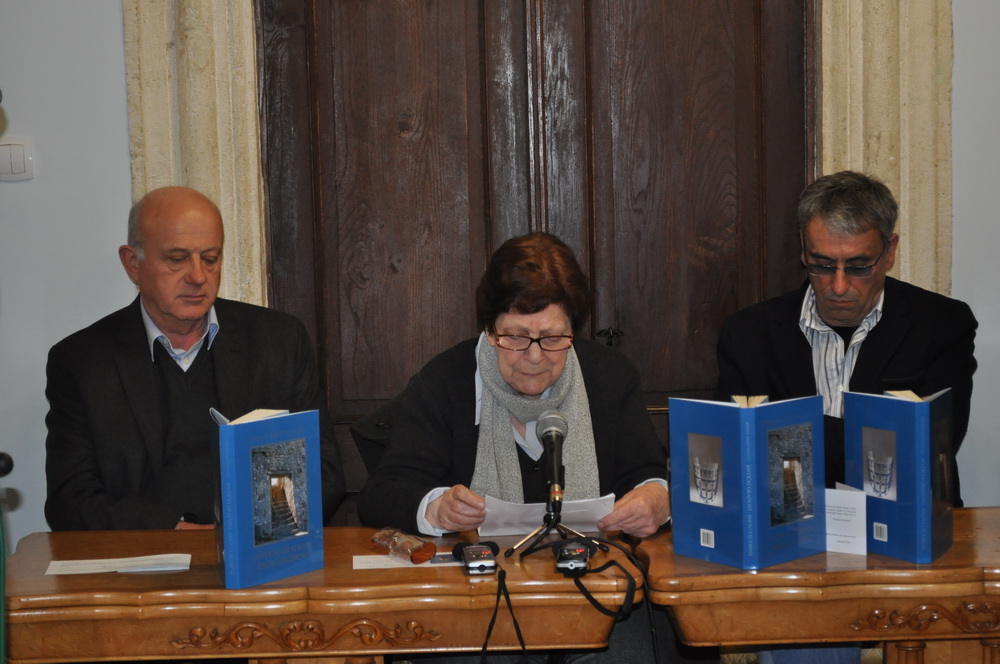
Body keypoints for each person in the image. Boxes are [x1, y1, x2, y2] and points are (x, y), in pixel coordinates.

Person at [357, 232, 676, 662]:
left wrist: (657, 497)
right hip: (475, 599)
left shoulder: (609, 378)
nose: (534, 356)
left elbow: (646, 473)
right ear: (490, 330)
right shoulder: (445, 382)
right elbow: (383, 493)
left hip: (593, 592)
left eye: (553, 338)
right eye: (516, 337)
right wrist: (436, 508)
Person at [715, 170, 978, 664]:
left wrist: (792, 439)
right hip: (793, 537)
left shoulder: (941, 325)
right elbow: (742, 459)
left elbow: (926, 453)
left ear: (890, 251)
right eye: (822, 265)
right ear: (803, 249)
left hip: (904, 532)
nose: (838, 286)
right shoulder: (749, 333)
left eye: (858, 266)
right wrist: (865, 439)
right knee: (807, 621)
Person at [45, 186, 345, 531]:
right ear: (133, 263)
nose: (198, 276)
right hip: (145, 554)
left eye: (210, 258)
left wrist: (245, 533)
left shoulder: (278, 341)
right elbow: (71, 501)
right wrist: (173, 532)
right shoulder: (82, 361)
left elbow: (322, 473)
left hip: (257, 548)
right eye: (177, 259)